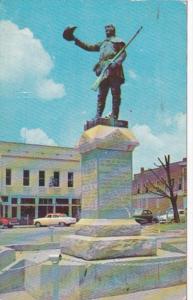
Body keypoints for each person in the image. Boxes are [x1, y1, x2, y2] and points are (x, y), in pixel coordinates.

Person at [63, 24, 126, 120]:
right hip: (104, 70)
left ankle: (114, 116)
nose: (106, 31)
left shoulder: (118, 41)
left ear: (113, 30)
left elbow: (123, 54)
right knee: (102, 94)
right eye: (105, 30)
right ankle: (98, 115)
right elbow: (89, 47)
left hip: (114, 70)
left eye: (108, 29)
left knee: (115, 94)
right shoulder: (103, 43)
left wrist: (116, 63)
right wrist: (75, 39)